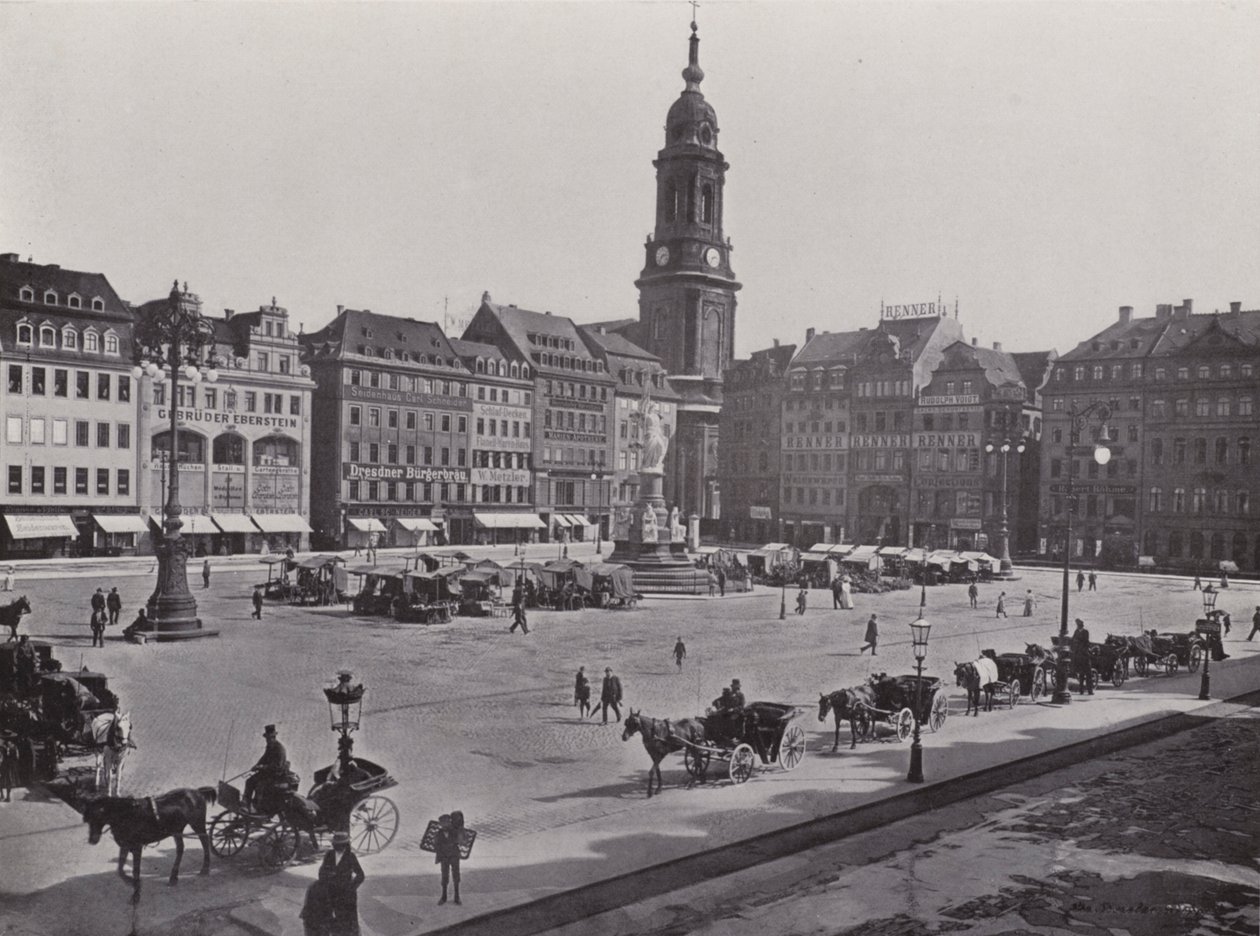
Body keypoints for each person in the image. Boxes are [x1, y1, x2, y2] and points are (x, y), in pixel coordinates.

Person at [301, 829, 365, 936]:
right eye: (335, 844)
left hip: (345, 891)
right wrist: (326, 877)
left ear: (345, 845)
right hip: (330, 888)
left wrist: (351, 887)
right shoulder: (329, 855)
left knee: (347, 917)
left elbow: (360, 875)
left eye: (340, 845)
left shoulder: (351, 857)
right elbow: (321, 870)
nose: (337, 847)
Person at [243, 724, 289, 813]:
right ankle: (246, 804)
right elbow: (264, 758)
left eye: (269, 738)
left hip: (277, 775)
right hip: (269, 773)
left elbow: (277, 766)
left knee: (260, 784)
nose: (267, 740)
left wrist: (262, 767)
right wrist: (256, 765)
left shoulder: (279, 748)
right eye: (266, 739)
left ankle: (256, 806)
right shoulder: (270, 747)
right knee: (250, 780)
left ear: (273, 737)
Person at [434, 813, 462, 906]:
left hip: (454, 856)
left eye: (445, 823)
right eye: (442, 823)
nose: (444, 825)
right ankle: (444, 896)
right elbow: (436, 845)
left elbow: (460, 840)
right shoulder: (439, 833)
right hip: (444, 857)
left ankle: (457, 896)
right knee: (444, 877)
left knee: (456, 876)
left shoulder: (455, 831)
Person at [1070, 618, 1094, 695]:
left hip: (1085, 655)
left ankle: (1090, 690)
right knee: (1081, 675)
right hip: (1079, 656)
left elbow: (1085, 641)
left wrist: (1077, 642)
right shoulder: (1076, 632)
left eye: (1078, 625)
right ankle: (1081, 690)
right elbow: (1073, 640)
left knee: (1088, 674)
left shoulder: (1085, 632)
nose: (1077, 626)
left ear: (1080, 626)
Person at [0, 733, 17, 802]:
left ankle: (1, 795)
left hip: (3, 765)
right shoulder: (14, 747)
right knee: (9, 780)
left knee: (1, 779)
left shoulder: (1, 747)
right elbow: (16, 757)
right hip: (11, 766)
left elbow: (1, 757)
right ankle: (8, 797)